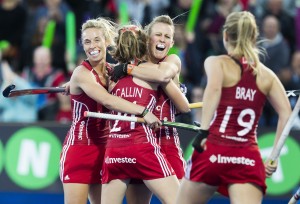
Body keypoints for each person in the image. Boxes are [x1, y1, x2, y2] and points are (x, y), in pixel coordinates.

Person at [176, 11, 292, 204]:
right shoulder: (267, 75)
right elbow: (286, 114)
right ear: (254, 37)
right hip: (246, 157)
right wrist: (274, 156)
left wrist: (203, 131)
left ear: (225, 36)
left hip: (213, 149)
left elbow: (212, 90)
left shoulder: (216, 62)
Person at [59, 17, 161, 204]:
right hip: (79, 150)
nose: (92, 46)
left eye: (97, 40)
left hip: (105, 150)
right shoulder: (81, 73)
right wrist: (144, 112)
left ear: (106, 41)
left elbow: (144, 74)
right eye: (87, 42)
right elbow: (109, 101)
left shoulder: (113, 71)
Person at [101, 22, 190, 204]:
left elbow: (165, 79)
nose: (162, 40)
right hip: (142, 143)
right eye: (158, 35)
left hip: (165, 141)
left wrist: (127, 68)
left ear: (172, 42)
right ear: (147, 38)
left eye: (167, 37)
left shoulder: (169, 62)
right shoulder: (126, 69)